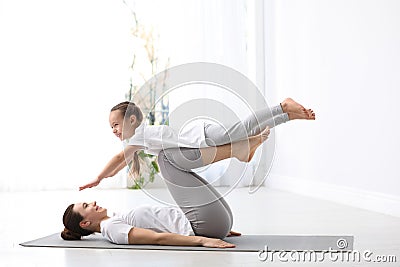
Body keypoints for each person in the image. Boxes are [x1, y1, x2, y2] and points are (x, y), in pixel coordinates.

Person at [62, 98, 315, 247]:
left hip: (198, 141)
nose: (114, 131)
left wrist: (99, 177)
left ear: (131, 121)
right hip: (196, 151)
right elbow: (156, 237)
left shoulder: (138, 137)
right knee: (168, 156)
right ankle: (260, 133)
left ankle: (281, 110)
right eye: (112, 128)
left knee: (238, 130)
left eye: (116, 125)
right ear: (86, 223)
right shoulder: (111, 228)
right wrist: (204, 240)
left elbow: (120, 159)